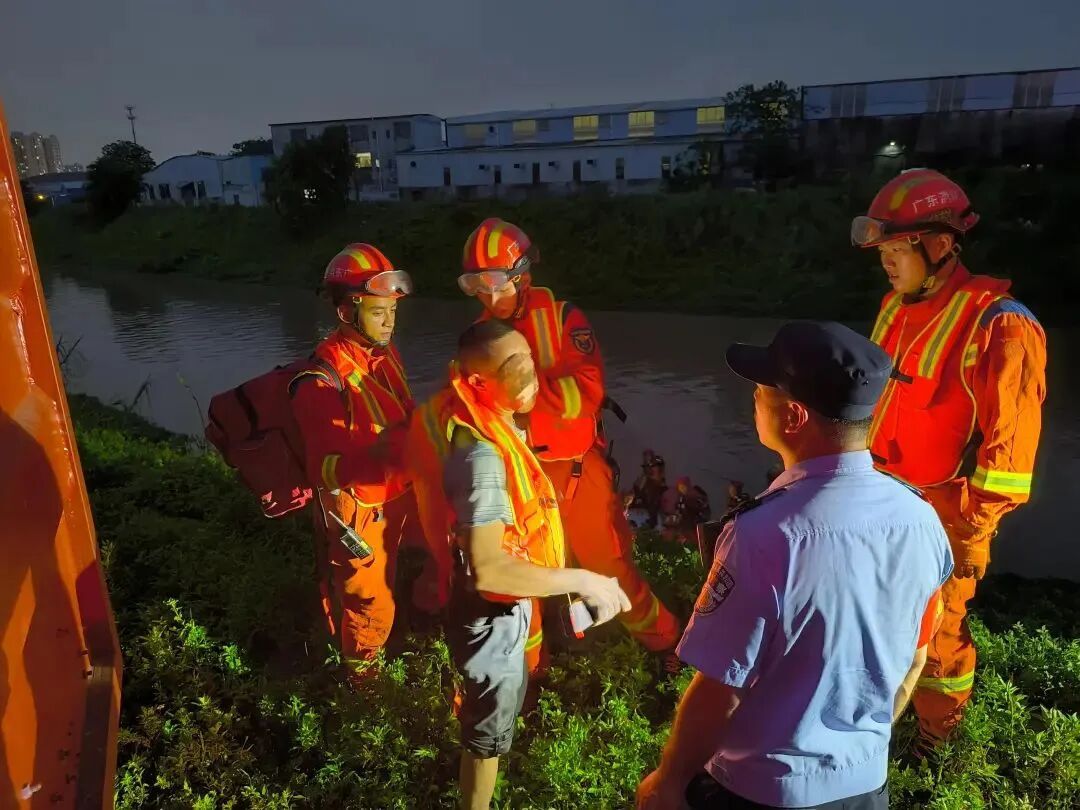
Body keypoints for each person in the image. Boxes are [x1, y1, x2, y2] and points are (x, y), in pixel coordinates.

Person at [637, 321, 953, 810]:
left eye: (762, 390)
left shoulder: (765, 534)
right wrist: (855, 748)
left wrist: (670, 780)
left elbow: (720, 687)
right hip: (866, 789)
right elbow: (915, 654)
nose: (754, 400)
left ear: (794, 417)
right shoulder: (921, 518)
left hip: (759, 791)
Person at [852, 169, 1048, 744]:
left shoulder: (1001, 323)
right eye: (883, 250)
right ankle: (870, 732)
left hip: (944, 514)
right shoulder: (894, 306)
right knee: (871, 621)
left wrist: (972, 531)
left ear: (938, 245)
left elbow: (1009, 455)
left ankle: (939, 744)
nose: (886, 262)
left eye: (896, 249)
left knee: (937, 638)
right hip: (877, 496)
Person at [406, 319, 630, 810]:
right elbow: (487, 570)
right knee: (486, 738)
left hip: (512, 602)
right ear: (480, 384)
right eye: (515, 367)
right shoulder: (482, 455)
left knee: (495, 708)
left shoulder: (492, 416)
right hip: (490, 613)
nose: (532, 374)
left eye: (530, 357)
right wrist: (583, 579)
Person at [457, 218, 680, 671]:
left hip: (574, 470)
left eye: (495, 281)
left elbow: (587, 391)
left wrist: (523, 393)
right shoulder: (478, 336)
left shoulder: (562, 317)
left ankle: (667, 645)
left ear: (522, 275)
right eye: (475, 284)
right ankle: (532, 675)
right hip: (517, 476)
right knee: (523, 577)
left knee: (609, 564)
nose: (486, 294)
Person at [289, 243, 429, 685]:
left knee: (443, 563)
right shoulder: (319, 380)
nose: (391, 320)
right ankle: (364, 697)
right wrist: (386, 455)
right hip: (360, 513)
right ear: (347, 312)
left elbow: (405, 413)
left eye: (393, 310)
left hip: (404, 492)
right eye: (378, 311)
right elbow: (326, 468)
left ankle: (417, 642)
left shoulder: (385, 356)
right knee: (370, 608)